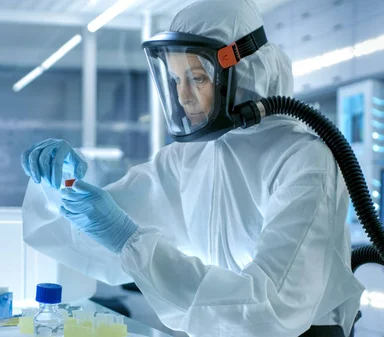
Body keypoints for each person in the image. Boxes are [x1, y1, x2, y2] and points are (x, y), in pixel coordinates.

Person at [21, 0, 364, 336]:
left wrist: (129, 239)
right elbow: (94, 227)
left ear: (242, 72)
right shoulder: (191, 158)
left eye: (197, 79)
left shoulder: (303, 159)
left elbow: (269, 310)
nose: (183, 96)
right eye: (175, 80)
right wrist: (60, 185)